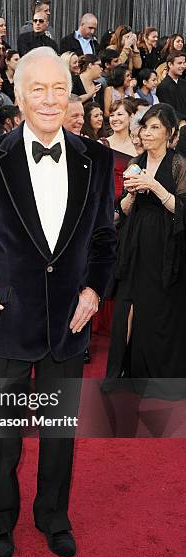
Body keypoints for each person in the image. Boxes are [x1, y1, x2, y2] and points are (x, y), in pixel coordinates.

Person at [0, 47, 115, 557]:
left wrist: (93, 292)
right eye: (38, 89)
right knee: (1, 435)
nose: (49, 100)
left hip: (69, 320)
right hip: (4, 316)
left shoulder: (97, 158)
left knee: (59, 434)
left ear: (71, 95)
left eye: (58, 89)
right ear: (18, 95)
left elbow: (104, 242)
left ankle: (53, 516)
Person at [105, 104, 186, 397]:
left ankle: (160, 377)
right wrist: (130, 193)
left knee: (159, 307)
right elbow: (123, 211)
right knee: (127, 302)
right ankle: (119, 371)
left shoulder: (179, 164)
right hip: (135, 240)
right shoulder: (135, 161)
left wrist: (155, 187)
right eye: (145, 126)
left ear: (171, 134)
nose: (147, 132)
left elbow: (182, 210)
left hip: (166, 244)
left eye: (155, 127)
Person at [107, 99, 137, 202]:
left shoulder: (139, 147)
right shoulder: (101, 145)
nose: (115, 119)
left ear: (131, 116)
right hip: (105, 205)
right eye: (112, 115)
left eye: (119, 114)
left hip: (130, 204)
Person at [156, 52, 186, 116]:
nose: (183, 66)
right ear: (170, 64)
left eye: (184, 63)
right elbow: (168, 111)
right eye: (179, 63)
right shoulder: (163, 87)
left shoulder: (184, 83)